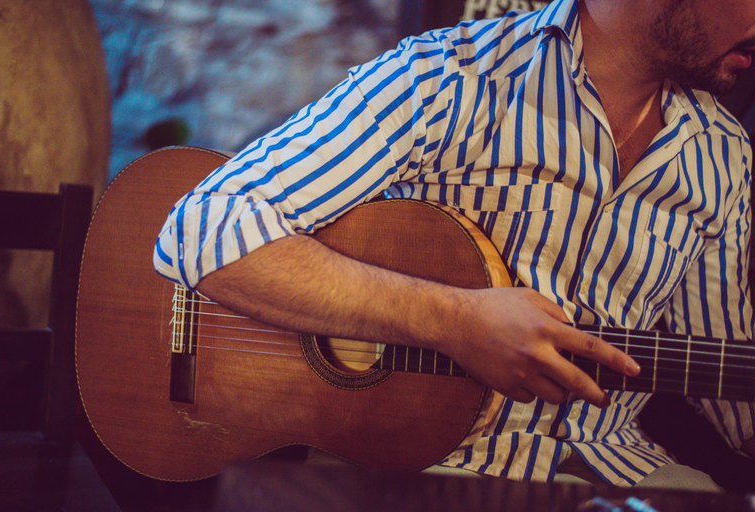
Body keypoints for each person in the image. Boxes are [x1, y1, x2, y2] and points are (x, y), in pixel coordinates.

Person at [154, 0, 755, 491]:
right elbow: (202, 228)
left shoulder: (725, 156)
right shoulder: (444, 78)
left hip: (616, 468)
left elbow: (727, 374)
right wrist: (455, 322)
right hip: (412, 468)